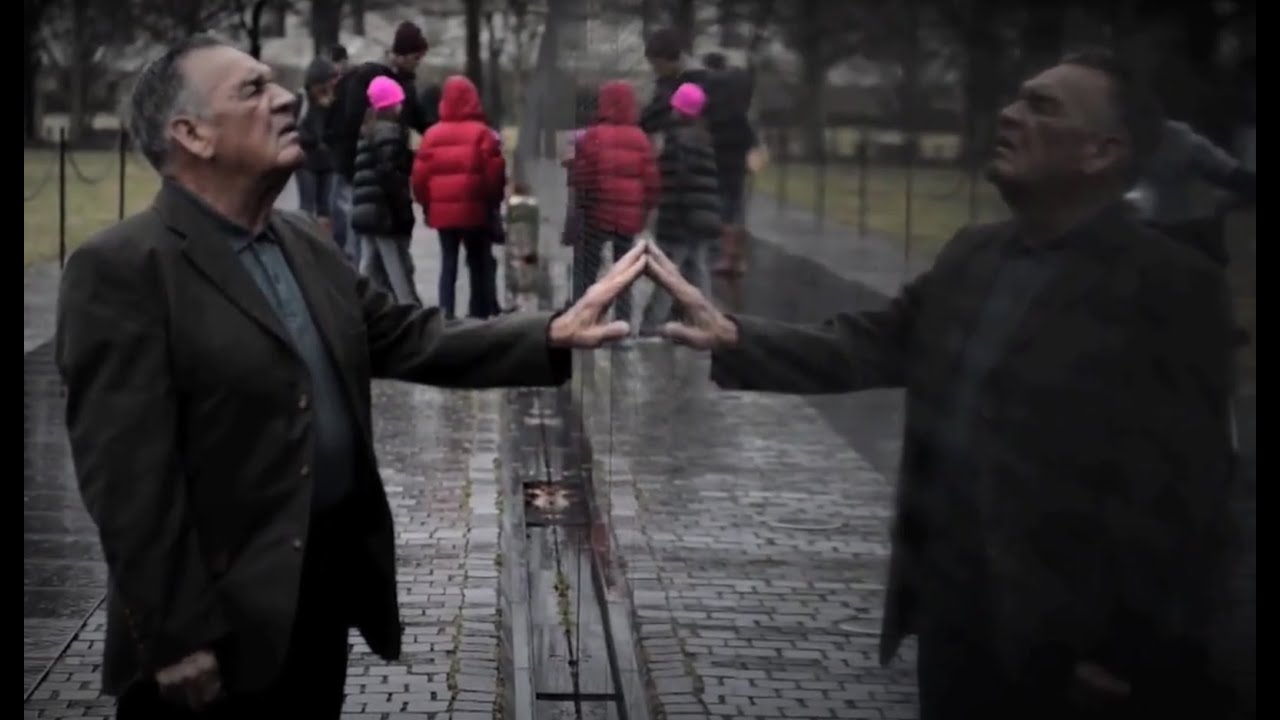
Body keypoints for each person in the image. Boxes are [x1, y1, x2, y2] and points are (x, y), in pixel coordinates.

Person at [56, 36, 645, 719]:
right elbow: (127, 483)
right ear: (191, 134)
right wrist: (176, 632)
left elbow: (402, 334)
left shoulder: (303, 240)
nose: (285, 99)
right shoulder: (123, 269)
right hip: (211, 631)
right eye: (252, 90)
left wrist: (548, 332)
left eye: (275, 84)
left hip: (318, 603)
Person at [646, 49, 1238, 719]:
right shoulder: (975, 253)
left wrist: (1130, 648)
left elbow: (1188, 488)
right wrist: (734, 336)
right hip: (953, 619)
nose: (1010, 115)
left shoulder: (1168, 285)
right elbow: (875, 343)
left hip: (1071, 648)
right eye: (1016, 99)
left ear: (1102, 151)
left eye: (1042, 108)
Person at [324, 21, 432, 265]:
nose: (418, 63)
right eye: (415, 58)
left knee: (367, 237)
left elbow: (421, 120)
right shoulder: (371, 77)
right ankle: (355, 279)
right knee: (359, 231)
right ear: (402, 54)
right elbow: (352, 122)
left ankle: (364, 280)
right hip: (360, 167)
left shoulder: (401, 81)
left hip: (372, 167)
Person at [410, 76, 506, 320]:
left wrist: (428, 205)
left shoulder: (431, 135)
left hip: (443, 214)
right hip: (475, 211)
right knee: (477, 262)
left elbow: (419, 178)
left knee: (448, 264)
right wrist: (491, 202)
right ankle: (477, 315)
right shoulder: (482, 134)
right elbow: (494, 174)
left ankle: (446, 314)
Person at [569, 80, 660, 327]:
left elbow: (582, 176)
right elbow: (651, 181)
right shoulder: (641, 139)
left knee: (588, 268)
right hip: (629, 219)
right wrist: (644, 211)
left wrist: (584, 204)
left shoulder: (593, 136)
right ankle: (623, 321)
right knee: (624, 272)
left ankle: (586, 317)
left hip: (597, 215)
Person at [641, 82, 720, 337]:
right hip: (700, 215)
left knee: (668, 271)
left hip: (679, 217)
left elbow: (673, 180)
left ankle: (651, 323)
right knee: (698, 267)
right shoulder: (703, 138)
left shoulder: (676, 141)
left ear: (678, 109)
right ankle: (708, 319)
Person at [1126, 118, 1256, 266]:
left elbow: (1233, 176)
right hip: (1157, 228)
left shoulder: (1183, 141)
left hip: (1186, 229)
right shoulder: (1183, 140)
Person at [351, 76, 419, 305]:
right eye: (398, 101)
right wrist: (402, 207)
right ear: (390, 105)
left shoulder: (367, 129)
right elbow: (391, 172)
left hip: (367, 208)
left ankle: (359, 306)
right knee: (398, 267)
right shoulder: (388, 132)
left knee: (369, 265)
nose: (401, 106)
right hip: (383, 210)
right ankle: (410, 309)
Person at [700, 51, 758, 276]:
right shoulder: (737, 95)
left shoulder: (711, 93)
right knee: (737, 208)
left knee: (723, 209)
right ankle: (737, 258)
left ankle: (726, 256)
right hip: (738, 159)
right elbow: (750, 135)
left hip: (719, 157)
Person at [295, 57, 339, 225]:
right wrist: (312, 139)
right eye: (323, 84)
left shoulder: (334, 101)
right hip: (307, 162)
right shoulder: (302, 100)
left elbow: (337, 130)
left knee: (326, 209)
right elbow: (293, 127)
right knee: (306, 208)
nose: (327, 88)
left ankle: (322, 239)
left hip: (329, 162)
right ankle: (304, 238)